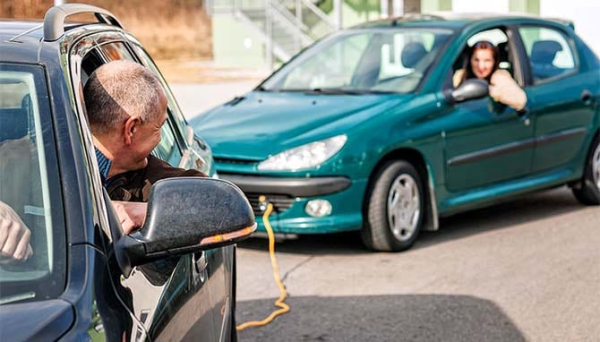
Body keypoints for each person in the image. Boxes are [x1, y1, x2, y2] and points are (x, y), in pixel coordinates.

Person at [83, 60, 206, 233]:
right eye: (159, 127)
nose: (160, 137)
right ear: (131, 129)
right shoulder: (37, 169)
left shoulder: (151, 176)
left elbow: (219, 203)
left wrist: (150, 212)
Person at [453, 40, 527, 111]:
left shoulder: (499, 77)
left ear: (494, 62)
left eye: (487, 60)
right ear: (470, 60)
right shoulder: (460, 75)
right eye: (476, 60)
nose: (481, 66)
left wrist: (491, 90)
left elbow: (520, 100)